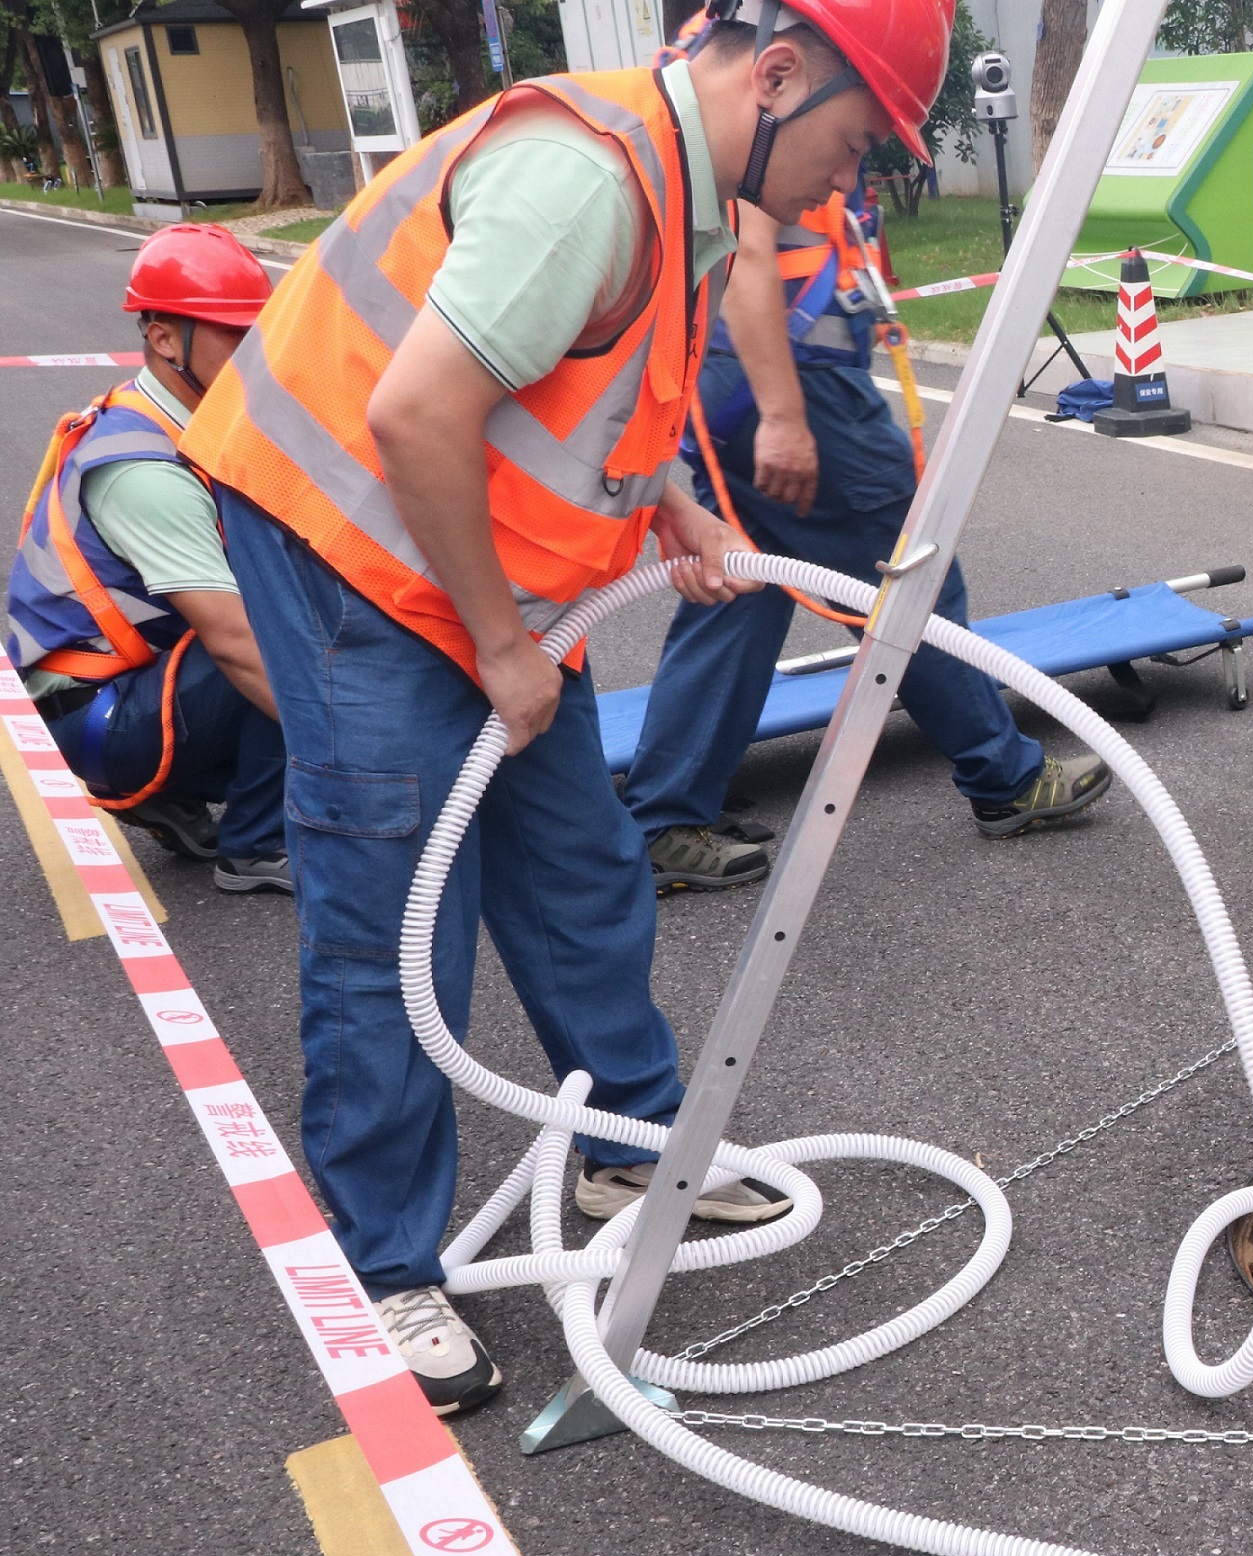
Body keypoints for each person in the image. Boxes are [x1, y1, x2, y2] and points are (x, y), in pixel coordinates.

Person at [182, 0, 951, 1414]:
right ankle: (386, 1270)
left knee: (581, 864)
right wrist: (496, 640)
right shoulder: (589, 176)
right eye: (855, 143)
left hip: (479, 559)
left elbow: (572, 381)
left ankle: (624, 1144)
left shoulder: (687, 188)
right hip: (352, 542)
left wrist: (658, 495)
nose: (852, 181)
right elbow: (416, 414)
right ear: (776, 77)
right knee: (398, 905)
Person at [618, 30, 1107, 891]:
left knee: (743, 591)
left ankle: (665, 812)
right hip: (792, 379)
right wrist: (782, 416)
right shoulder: (769, 88)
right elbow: (752, 257)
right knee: (911, 575)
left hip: (750, 374)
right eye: (852, 147)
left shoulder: (718, 61)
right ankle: (1007, 778)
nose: (849, 169)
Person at [6, 224, 290, 892]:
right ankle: (255, 844)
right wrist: (359, 749)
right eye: (234, 334)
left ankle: (171, 786)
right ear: (163, 338)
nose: (258, 353)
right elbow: (236, 642)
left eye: (261, 331)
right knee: (292, 636)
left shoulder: (180, 417)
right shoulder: (144, 470)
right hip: (97, 717)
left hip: (116, 687)